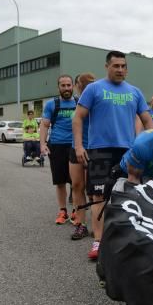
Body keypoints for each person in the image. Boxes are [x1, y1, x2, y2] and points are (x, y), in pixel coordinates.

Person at [72, 50, 153, 260]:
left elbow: (148, 122)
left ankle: (127, 240)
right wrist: (80, 147)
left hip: (127, 153)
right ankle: (99, 242)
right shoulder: (94, 88)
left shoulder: (135, 92)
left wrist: (149, 146)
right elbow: (78, 117)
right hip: (99, 150)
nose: (120, 69)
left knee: (127, 197)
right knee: (98, 196)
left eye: (123, 66)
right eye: (116, 66)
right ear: (107, 66)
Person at [40, 75, 77, 225]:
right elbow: (44, 125)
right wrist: (42, 144)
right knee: (60, 181)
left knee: (76, 182)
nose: (66, 88)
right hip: (57, 145)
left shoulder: (80, 102)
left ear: (73, 86)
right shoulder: (51, 104)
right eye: (63, 85)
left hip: (76, 145)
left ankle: (76, 210)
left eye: (69, 85)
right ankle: (63, 211)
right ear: (58, 87)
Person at [68, 72, 95, 241]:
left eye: (87, 84)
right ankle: (81, 225)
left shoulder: (97, 100)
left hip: (94, 148)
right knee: (77, 186)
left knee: (94, 191)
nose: (83, 87)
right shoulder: (75, 103)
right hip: (75, 148)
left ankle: (99, 226)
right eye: (81, 84)